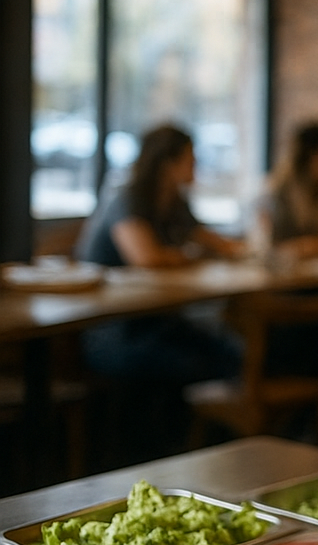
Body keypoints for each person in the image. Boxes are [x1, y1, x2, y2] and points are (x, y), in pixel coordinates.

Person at [75, 123, 244, 384]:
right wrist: (189, 255)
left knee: (231, 352)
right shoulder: (126, 197)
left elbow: (214, 243)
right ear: (168, 164)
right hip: (115, 327)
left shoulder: (174, 202)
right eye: (191, 159)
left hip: (155, 321)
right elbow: (146, 259)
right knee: (191, 363)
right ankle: (163, 424)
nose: (196, 166)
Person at [254, 120, 318, 260]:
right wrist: (313, 246)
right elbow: (266, 247)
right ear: (315, 153)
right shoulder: (277, 187)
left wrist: (316, 245)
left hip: (310, 269)